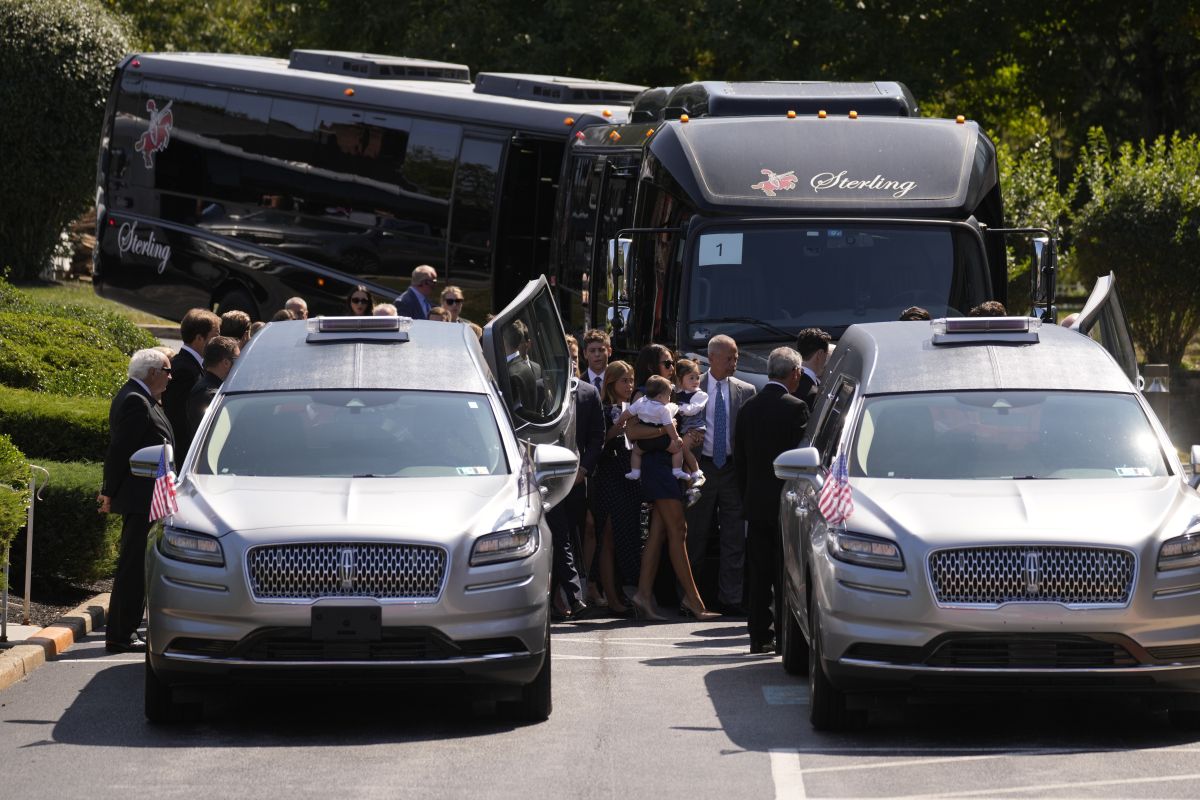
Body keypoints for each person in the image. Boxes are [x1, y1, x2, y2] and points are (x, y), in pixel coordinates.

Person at [97, 349, 175, 653]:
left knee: (140, 567)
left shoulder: (144, 399)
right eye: (167, 371)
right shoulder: (134, 401)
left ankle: (126, 629)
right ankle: (119, 634)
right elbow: (119, 452)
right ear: (153, 372)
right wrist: (109, 492)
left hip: (151, 497)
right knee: (132, 568)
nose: (171, 377)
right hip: (139, 498)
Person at [735, 347, 810, 655]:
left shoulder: (748, 407)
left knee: (759, 573)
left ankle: (758, 636)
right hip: (787, 503)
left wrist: (747, 496)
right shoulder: (796, 408)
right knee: (786, 573)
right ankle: (784, 635)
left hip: (755, 502)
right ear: (793, 373)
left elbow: (739, 459)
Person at [627, 373, 718, 622]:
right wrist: (668, 439)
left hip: (667, 468)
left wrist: (683, 440)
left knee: (660, 533)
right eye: (666, 363)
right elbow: (632, 432)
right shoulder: (645, 395)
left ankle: (643, 595)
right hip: (658, 469)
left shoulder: (672, 396)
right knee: (679, 530)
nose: (671, 367)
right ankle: (694, 600)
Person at [683, 334, 755, 615]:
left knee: (734, 537)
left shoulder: (745, 391)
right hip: (701, 469)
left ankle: (731, 599)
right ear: (711, 358)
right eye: (729, 357)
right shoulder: (691, 387)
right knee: (695, 534)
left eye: (736, 356)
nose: (734, 362)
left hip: (732, 470)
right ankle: (691, 598)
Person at [545, 368, 605, 621]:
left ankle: (555, 599)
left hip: (577, 479)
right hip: (549, 478)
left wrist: (585, 469)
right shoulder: (541, 387)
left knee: (570, 535)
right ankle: (573, 596)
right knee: (561, 537)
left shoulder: (588, 393)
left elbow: (597, 436)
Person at [588, 361, 641, 615]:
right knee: (607, 535)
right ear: (611, 383)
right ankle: (610, 596)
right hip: (609, 475)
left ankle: (620, 591)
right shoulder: (604, 408)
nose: (629, 385)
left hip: (630, 478)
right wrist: (622, 421)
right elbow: (601, 440)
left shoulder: (637, 407)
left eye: (631, 380)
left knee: (626, 536)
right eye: (624, 381)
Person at [161, 308, 219, 469]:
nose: (218, 340)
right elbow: (179, 421)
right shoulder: (183, 371)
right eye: (215, 336)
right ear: (199, 338)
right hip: (184, 460)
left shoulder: (193, 365)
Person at [623, 375, 703, 482]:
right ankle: (677, 470)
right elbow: (669, 425)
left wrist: (620, 421)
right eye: (668, 395)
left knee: (636, 452)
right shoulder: (664, 409)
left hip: (644, 441)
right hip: (662, 440)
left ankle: (635, 472)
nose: (669, 398)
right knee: (678, 450)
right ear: (660, 397)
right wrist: (676, 438)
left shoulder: (641, 402)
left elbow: (627, 413)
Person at [185, 336, 240, 439]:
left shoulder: (211, 387)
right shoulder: (209, 395)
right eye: (238, 359)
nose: (240, 364)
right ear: (226, 362)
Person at [794, 327, 832, 411]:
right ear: (820, 354)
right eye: (827, 353)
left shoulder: (789, 380)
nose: (826, 358)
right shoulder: (813, 394)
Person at [582, 329, 610, 394]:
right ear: (585, 354)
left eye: (601, 350)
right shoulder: (578, 383)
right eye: (592, 351)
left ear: (609, 351)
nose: (597, 354)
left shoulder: (619, 380)